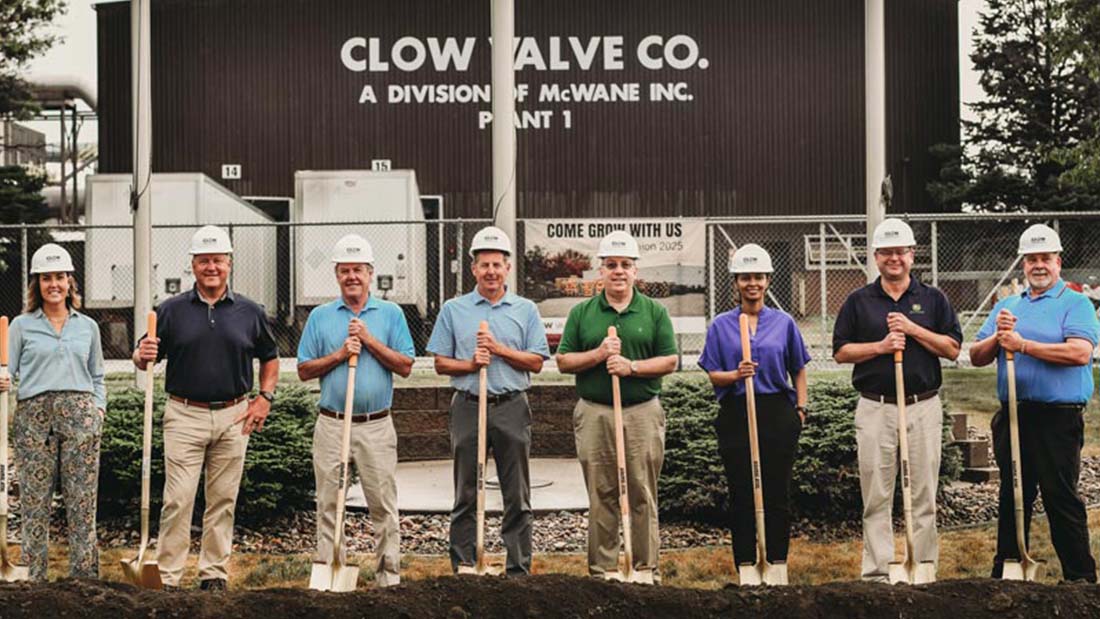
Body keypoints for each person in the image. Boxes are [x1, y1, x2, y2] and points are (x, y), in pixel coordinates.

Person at [133, 225, 279, 591]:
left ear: (229, 263)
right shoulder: (170, 311)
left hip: (234, 415)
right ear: (193, 266)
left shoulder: (250, 311)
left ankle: (213, 574)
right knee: (178, 500)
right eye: (203, 261)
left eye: (218, 260)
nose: (211, 267)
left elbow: (270, 357)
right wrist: (141, 354)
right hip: (184, 414)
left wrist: (264, 398)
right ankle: (168, 577)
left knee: (223, 500)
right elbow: (144, 354)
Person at [832, 218, 961, 582]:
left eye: (900, 251)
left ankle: (922, 568)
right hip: (876, 407)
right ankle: (877, 572)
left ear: (912, 255)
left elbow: (952, 348)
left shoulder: (933, 299)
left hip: (923, 406)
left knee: (922, 493)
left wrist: (913, 328)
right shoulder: (858, 301)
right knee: (877, 494)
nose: (894, 258)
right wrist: (882, 346)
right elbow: (841, 352)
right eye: (886, 252)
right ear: (875, 257)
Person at [971, 224, 1099, 583]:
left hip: (1058, 418)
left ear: (1058, 262)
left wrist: (1023, 345)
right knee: (1014, 495)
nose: (1038, 265)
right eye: (1031, 259)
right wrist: (999, 336)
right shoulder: (1007, 306)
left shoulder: (1076, 304)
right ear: (1023, 264)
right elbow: (977, 356)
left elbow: (1079, 352)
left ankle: (1081, 579)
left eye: (1045, 258)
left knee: (1061, 497)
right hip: (1014, 414)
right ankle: (1008, 573)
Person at [426, 226, 549, 576]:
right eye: (484, 265)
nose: (491, 271)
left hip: (511, 404)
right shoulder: (454, 309)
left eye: (497, 264)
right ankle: (464, 565)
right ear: (474, 269)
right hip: (467, 404)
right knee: (466, 490)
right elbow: (439, 362)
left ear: (508, 267)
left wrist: (498, 350)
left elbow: (537, 362)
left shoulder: (525, 310)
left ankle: (518, 570)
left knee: (517, 494)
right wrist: (470, 364)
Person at [556, 230, 678, 581]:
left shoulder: (654, 312)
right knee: (602, 493)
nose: (619, 271)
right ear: (601, 271)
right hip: (596, 411)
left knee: (642, 490)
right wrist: (599, 355)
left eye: (626, 265)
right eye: (612, 265)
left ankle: (645, 568)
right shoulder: (583, 313)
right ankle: (603, 572)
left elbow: (669, 360)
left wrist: (631, 367)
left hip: (641, 411)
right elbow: (563, 361)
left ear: (636, 271)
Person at [297, 234, 414, 587]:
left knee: (383, 503)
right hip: (332, 423)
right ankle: (331, 569)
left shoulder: (391, 314)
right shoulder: (320, 317)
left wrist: (369, 340)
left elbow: (406, 365)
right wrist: (338, 355)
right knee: (329, 502)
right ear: (336, 275)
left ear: (370, 273)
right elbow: (303, 370)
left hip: (376, 425)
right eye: (345, 270)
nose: (352, 277)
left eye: (358, 270)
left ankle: (388, 575)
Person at [698, 244, 809, 572]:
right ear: (736, 282)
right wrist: (736, 374)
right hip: (736, 410)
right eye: (745, 277)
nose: (752, 283)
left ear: (768, 280)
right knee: (742, 491)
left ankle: (776, 563)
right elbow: (712, 374)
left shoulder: (783, 323)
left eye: (758, 277)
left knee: (776, 490)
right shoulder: (721, 325)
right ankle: (747, 564)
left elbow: (799, 367)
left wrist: (800, 409)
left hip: (776, 410)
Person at [0, 244, 105, 581]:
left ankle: (85, 581)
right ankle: (33, 579)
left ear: (70, 281)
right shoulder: (20, 325)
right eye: (46, 278)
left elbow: (98, 375)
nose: (54, 284)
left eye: (60, 276)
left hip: (81, 417)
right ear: (37, 284)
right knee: (34, 503)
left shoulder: (88, 326)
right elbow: (7, 370)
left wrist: (98, 410)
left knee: (82, 503)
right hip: (34, 420)